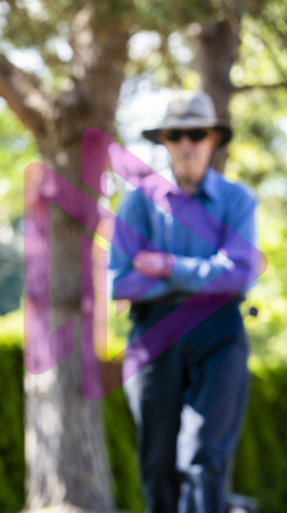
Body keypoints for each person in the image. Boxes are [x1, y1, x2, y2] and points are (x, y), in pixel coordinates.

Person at [108, 91, 261, 513]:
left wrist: (167, 266)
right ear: (164, 142)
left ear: (213, 139)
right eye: (177, 135)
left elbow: (240, 273)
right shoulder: (138, 202)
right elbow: (119, 282)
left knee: (201, 457)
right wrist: (204, 273)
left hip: (219, 335)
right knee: (157, 462)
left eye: (197, 134)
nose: (187, 144)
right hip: (153, 337)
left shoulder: (238, 201)